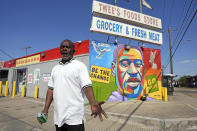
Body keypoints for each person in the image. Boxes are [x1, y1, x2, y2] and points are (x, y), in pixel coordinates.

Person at [41, 39, 107, 131]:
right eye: (62, 47)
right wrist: (45, 109)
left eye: (67, 47)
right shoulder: (55, 69)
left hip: (75, 119)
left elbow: (86, 86)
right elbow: (50, 90)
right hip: (59, 118)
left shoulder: (79, 66)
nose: (64, 49)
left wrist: (93, 102)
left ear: (73, 51)